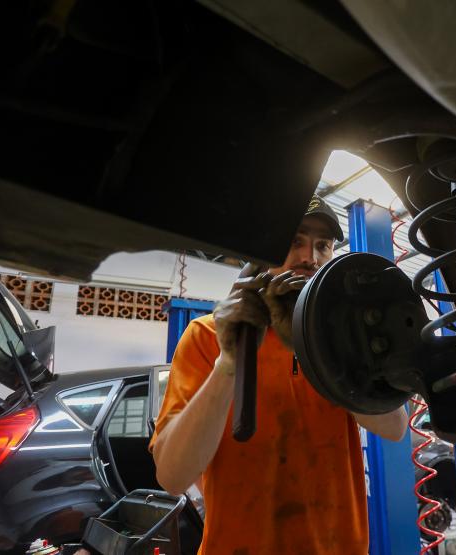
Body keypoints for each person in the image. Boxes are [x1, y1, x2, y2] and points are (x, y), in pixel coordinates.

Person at [150, 195, 408, 554]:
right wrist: (229, 362)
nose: (309, 257)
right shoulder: (208, 336)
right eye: (294, 241)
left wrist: (323, 349)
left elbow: (395, 428)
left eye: (323, 246)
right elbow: (172, 477)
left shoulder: (344, 340)